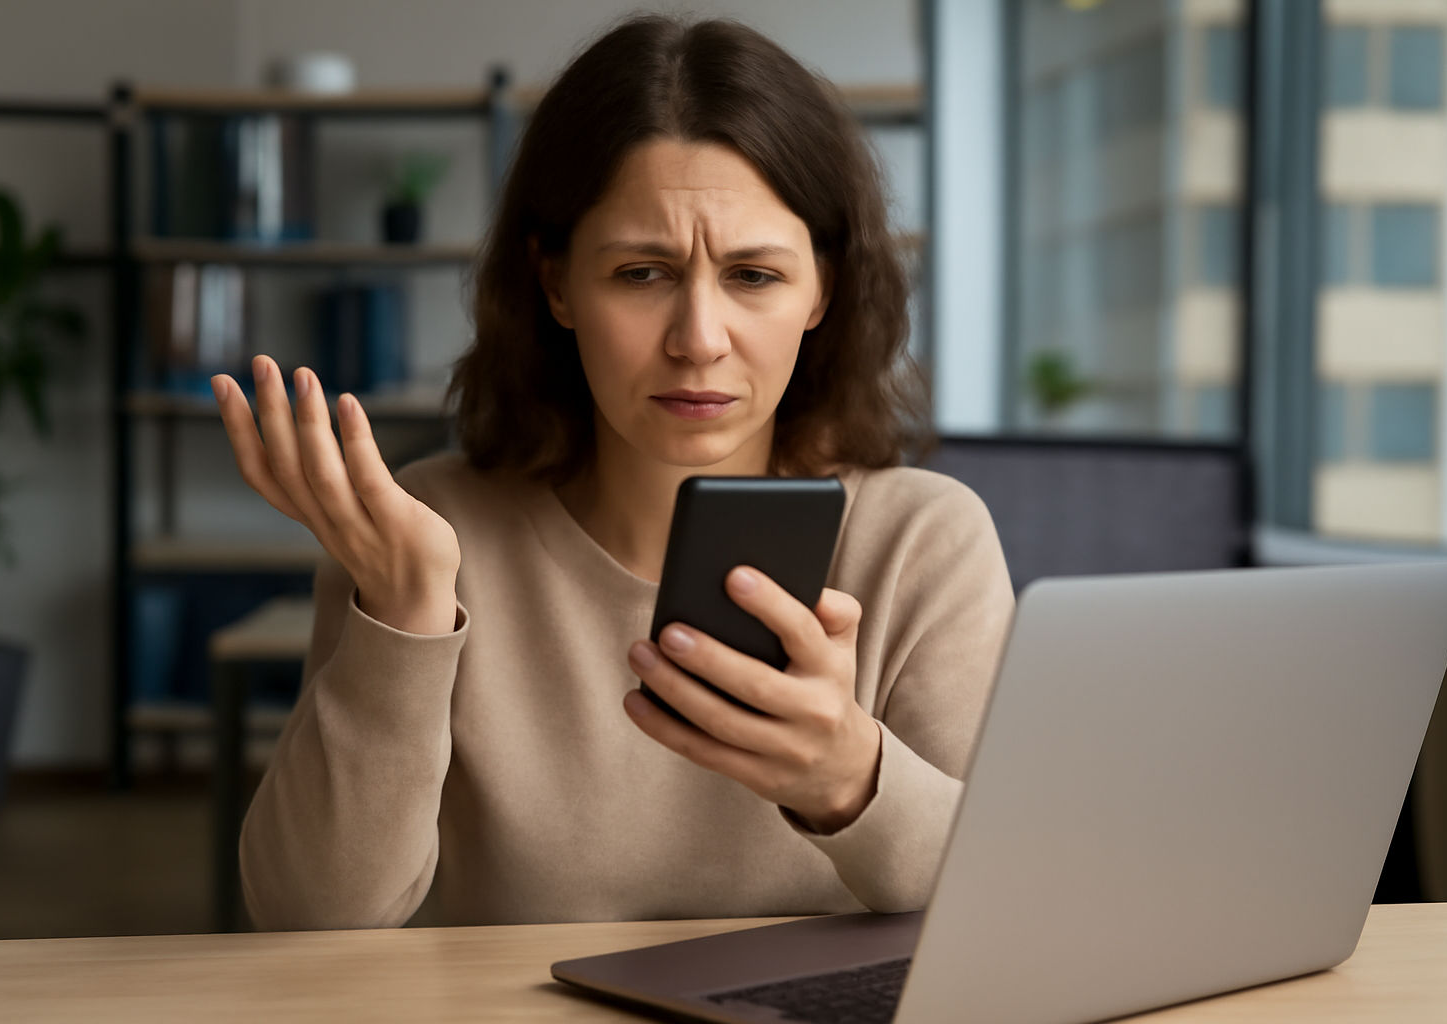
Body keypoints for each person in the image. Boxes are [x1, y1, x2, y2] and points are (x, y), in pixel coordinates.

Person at [215, 15, 1014, 932]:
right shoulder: (426, 530)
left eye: (754, 276)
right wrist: (404, 613)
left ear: (822, 291)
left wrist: (847, 775)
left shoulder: (922, 541)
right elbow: (309, 921)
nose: (699, 341)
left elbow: (1009, 901)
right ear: (555, 283)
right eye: (642, 273)